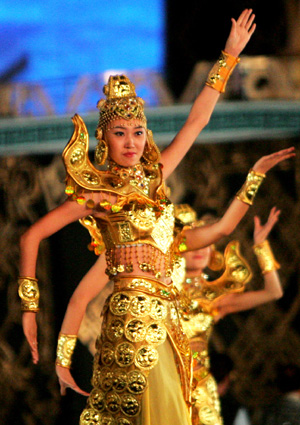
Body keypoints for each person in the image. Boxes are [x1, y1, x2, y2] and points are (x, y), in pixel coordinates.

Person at [18, 9, 295, 425]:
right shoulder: (98, 195)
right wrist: (31, 312)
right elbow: (32, 237)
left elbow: (197, 120)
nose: (131, 142)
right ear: (104, 139)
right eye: (119, 132)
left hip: (170, 323)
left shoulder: (155, 179)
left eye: (138, 132)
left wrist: (230, 56)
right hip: (130, 320)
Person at [174, 204, 283, 425]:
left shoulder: (215, 298)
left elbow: (274, 292)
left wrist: (261, 247)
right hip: (163, 379)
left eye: (206, 245)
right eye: (194, 244)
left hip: (199, 390)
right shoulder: (162, 289)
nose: (200, 250)